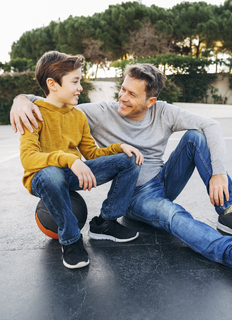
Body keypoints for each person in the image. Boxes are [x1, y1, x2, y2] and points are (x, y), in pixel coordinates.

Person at [12, 63, 232, 280]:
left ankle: (228, 212)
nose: (123, 97)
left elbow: (211, 125)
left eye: (132, 94)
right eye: (123, 89)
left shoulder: (164, 112)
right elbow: (55, 102)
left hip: (163, 179)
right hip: (137, 195)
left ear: (151, 101)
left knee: (195, 137)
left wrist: (219, 172)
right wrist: (22, 99)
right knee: (172, 214)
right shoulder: (97, 112)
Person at [20, 51, 144, 270]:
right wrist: (68, 159)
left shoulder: (78, 116)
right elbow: (28, 159)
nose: (80, 88)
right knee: (52, 173)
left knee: (129, 160)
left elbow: (92, 154)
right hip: (44, 177)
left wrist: (120, 147)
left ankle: (105, 223)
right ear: (53, 84)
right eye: (75, 81)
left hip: (72, 173)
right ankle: (71, 240)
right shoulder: (33, 113)